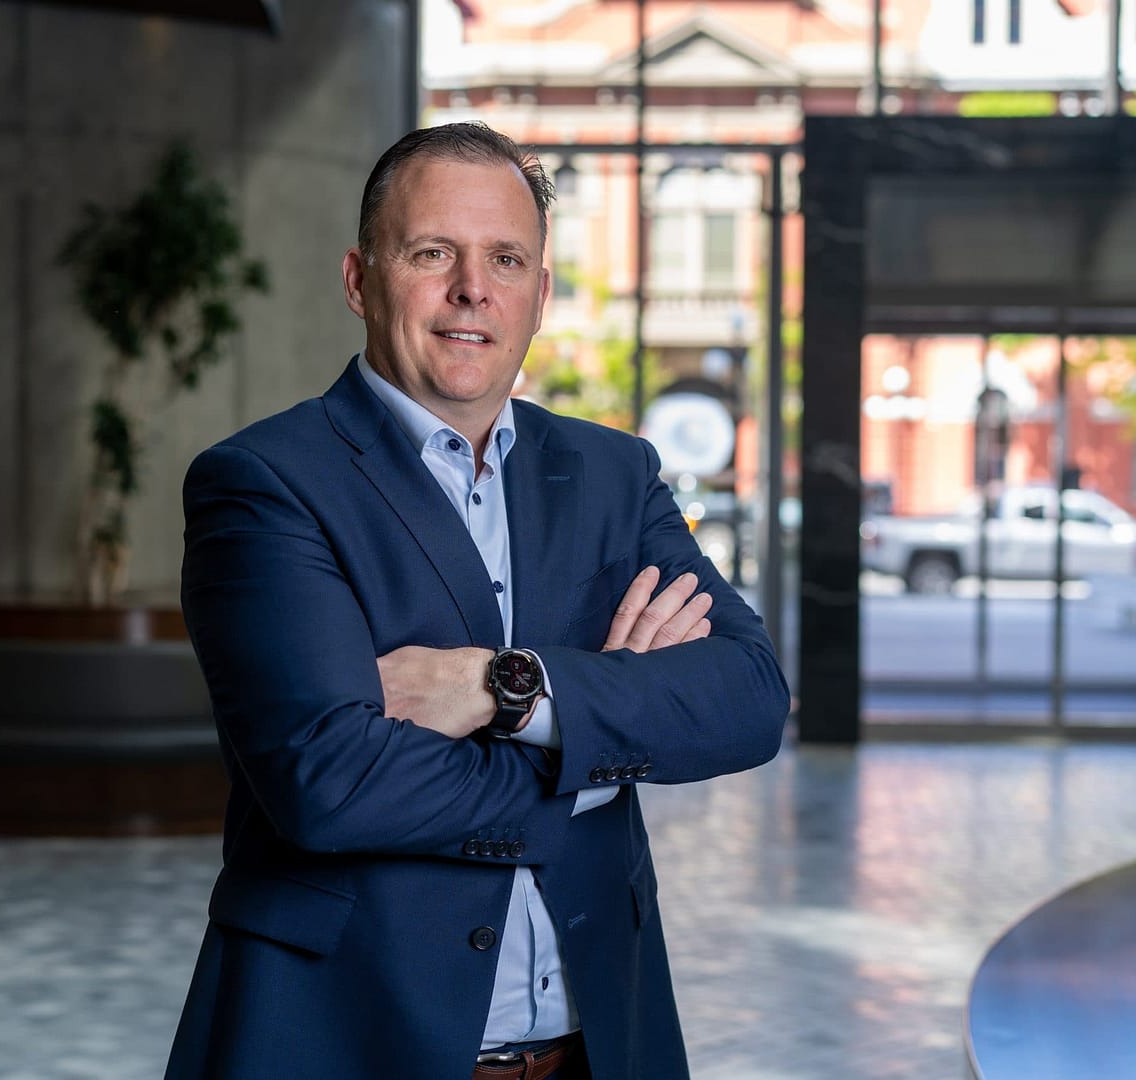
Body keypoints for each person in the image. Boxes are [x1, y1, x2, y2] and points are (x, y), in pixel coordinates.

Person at [164, 122, 790, 1080]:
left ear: (540, 295)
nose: (472, 289)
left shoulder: (613, 475)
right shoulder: (263, 483)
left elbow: (747, 697)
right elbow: (328, 785)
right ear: (359, 280)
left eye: (506, 258)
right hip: (345, 1039)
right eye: (431, 254)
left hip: (597, 1045)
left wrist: (513, 691)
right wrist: (598, 751)